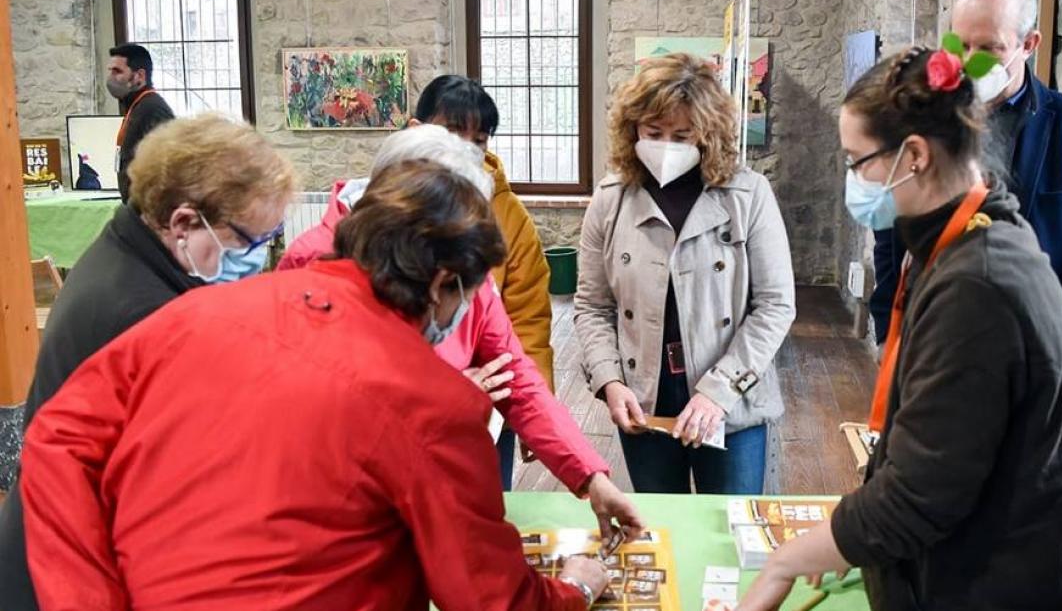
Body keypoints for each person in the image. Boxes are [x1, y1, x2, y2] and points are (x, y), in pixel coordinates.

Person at [20, 159, 611, 611]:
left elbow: (56, 436)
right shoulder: (433, 402)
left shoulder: (200, 313)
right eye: (470, 293)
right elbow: (490, 597)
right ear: (441, 284)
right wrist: (574, 590)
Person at [739, 46, 1062, 611]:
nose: (852, 179)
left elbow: (921, 493)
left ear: (912, 155)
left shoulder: (977, 283)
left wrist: (792, 557)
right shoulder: (967, 239)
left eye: (856, 160)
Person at [278, 124, 640, 537]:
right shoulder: (314, 260)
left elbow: (515, 374)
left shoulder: (458, 253)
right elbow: (317, 416)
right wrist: (444, 395)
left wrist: (590, 476)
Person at [0, 115, 294, 611]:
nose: (257, 259)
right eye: (248, 241)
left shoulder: (128, 254)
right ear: (182, 222)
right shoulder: (141, 313)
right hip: (69, 574)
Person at [870, 0, 1062, 477]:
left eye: (988, 47)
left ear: (1028, 45)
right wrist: (890, 329)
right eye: (957, 44)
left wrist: (1046, 338)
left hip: (1038, 372)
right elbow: (891, 234)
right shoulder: (923, 124)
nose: (968, 61)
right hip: (937, 356)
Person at [576, 54, 795, 495]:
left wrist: (719, 391)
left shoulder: (747, 194)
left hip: (731, 399)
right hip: (645, 397)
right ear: (632, 127)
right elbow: (592, 305)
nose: (666, 146)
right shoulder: (612, 199)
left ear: (707, 133)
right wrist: (609, 380)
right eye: (653, 133)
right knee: (662, 532)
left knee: (729, 531)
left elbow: (774, 305)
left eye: (682, 135)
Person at [410, 75, 555, 489]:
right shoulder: (386, 207)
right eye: (453, 134)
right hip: (406, 405)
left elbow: (528, 315)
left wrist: (534, 404)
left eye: (479, 140)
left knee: (488, 505)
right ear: (416, 130)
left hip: (488, 400)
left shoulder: (508, 215)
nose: (466, 150)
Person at [107, 43, 175, 202]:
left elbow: (166, 165)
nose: (111, 77)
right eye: (110, 71)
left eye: (117, 71)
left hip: (149, 209)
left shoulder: (153, 108)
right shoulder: (137, 106)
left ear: (140, 76)